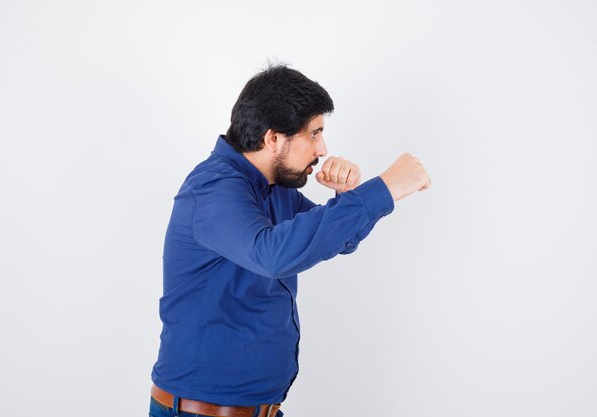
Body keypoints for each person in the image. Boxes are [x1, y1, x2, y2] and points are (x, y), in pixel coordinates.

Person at [149, 63, 431, 417]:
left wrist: (348, 197)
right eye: (314, 133)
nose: (323, 147)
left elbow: (331, 241)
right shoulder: (212, 188)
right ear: (273, 139)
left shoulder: (274, 188)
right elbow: (273, 255)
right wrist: (385, 188)